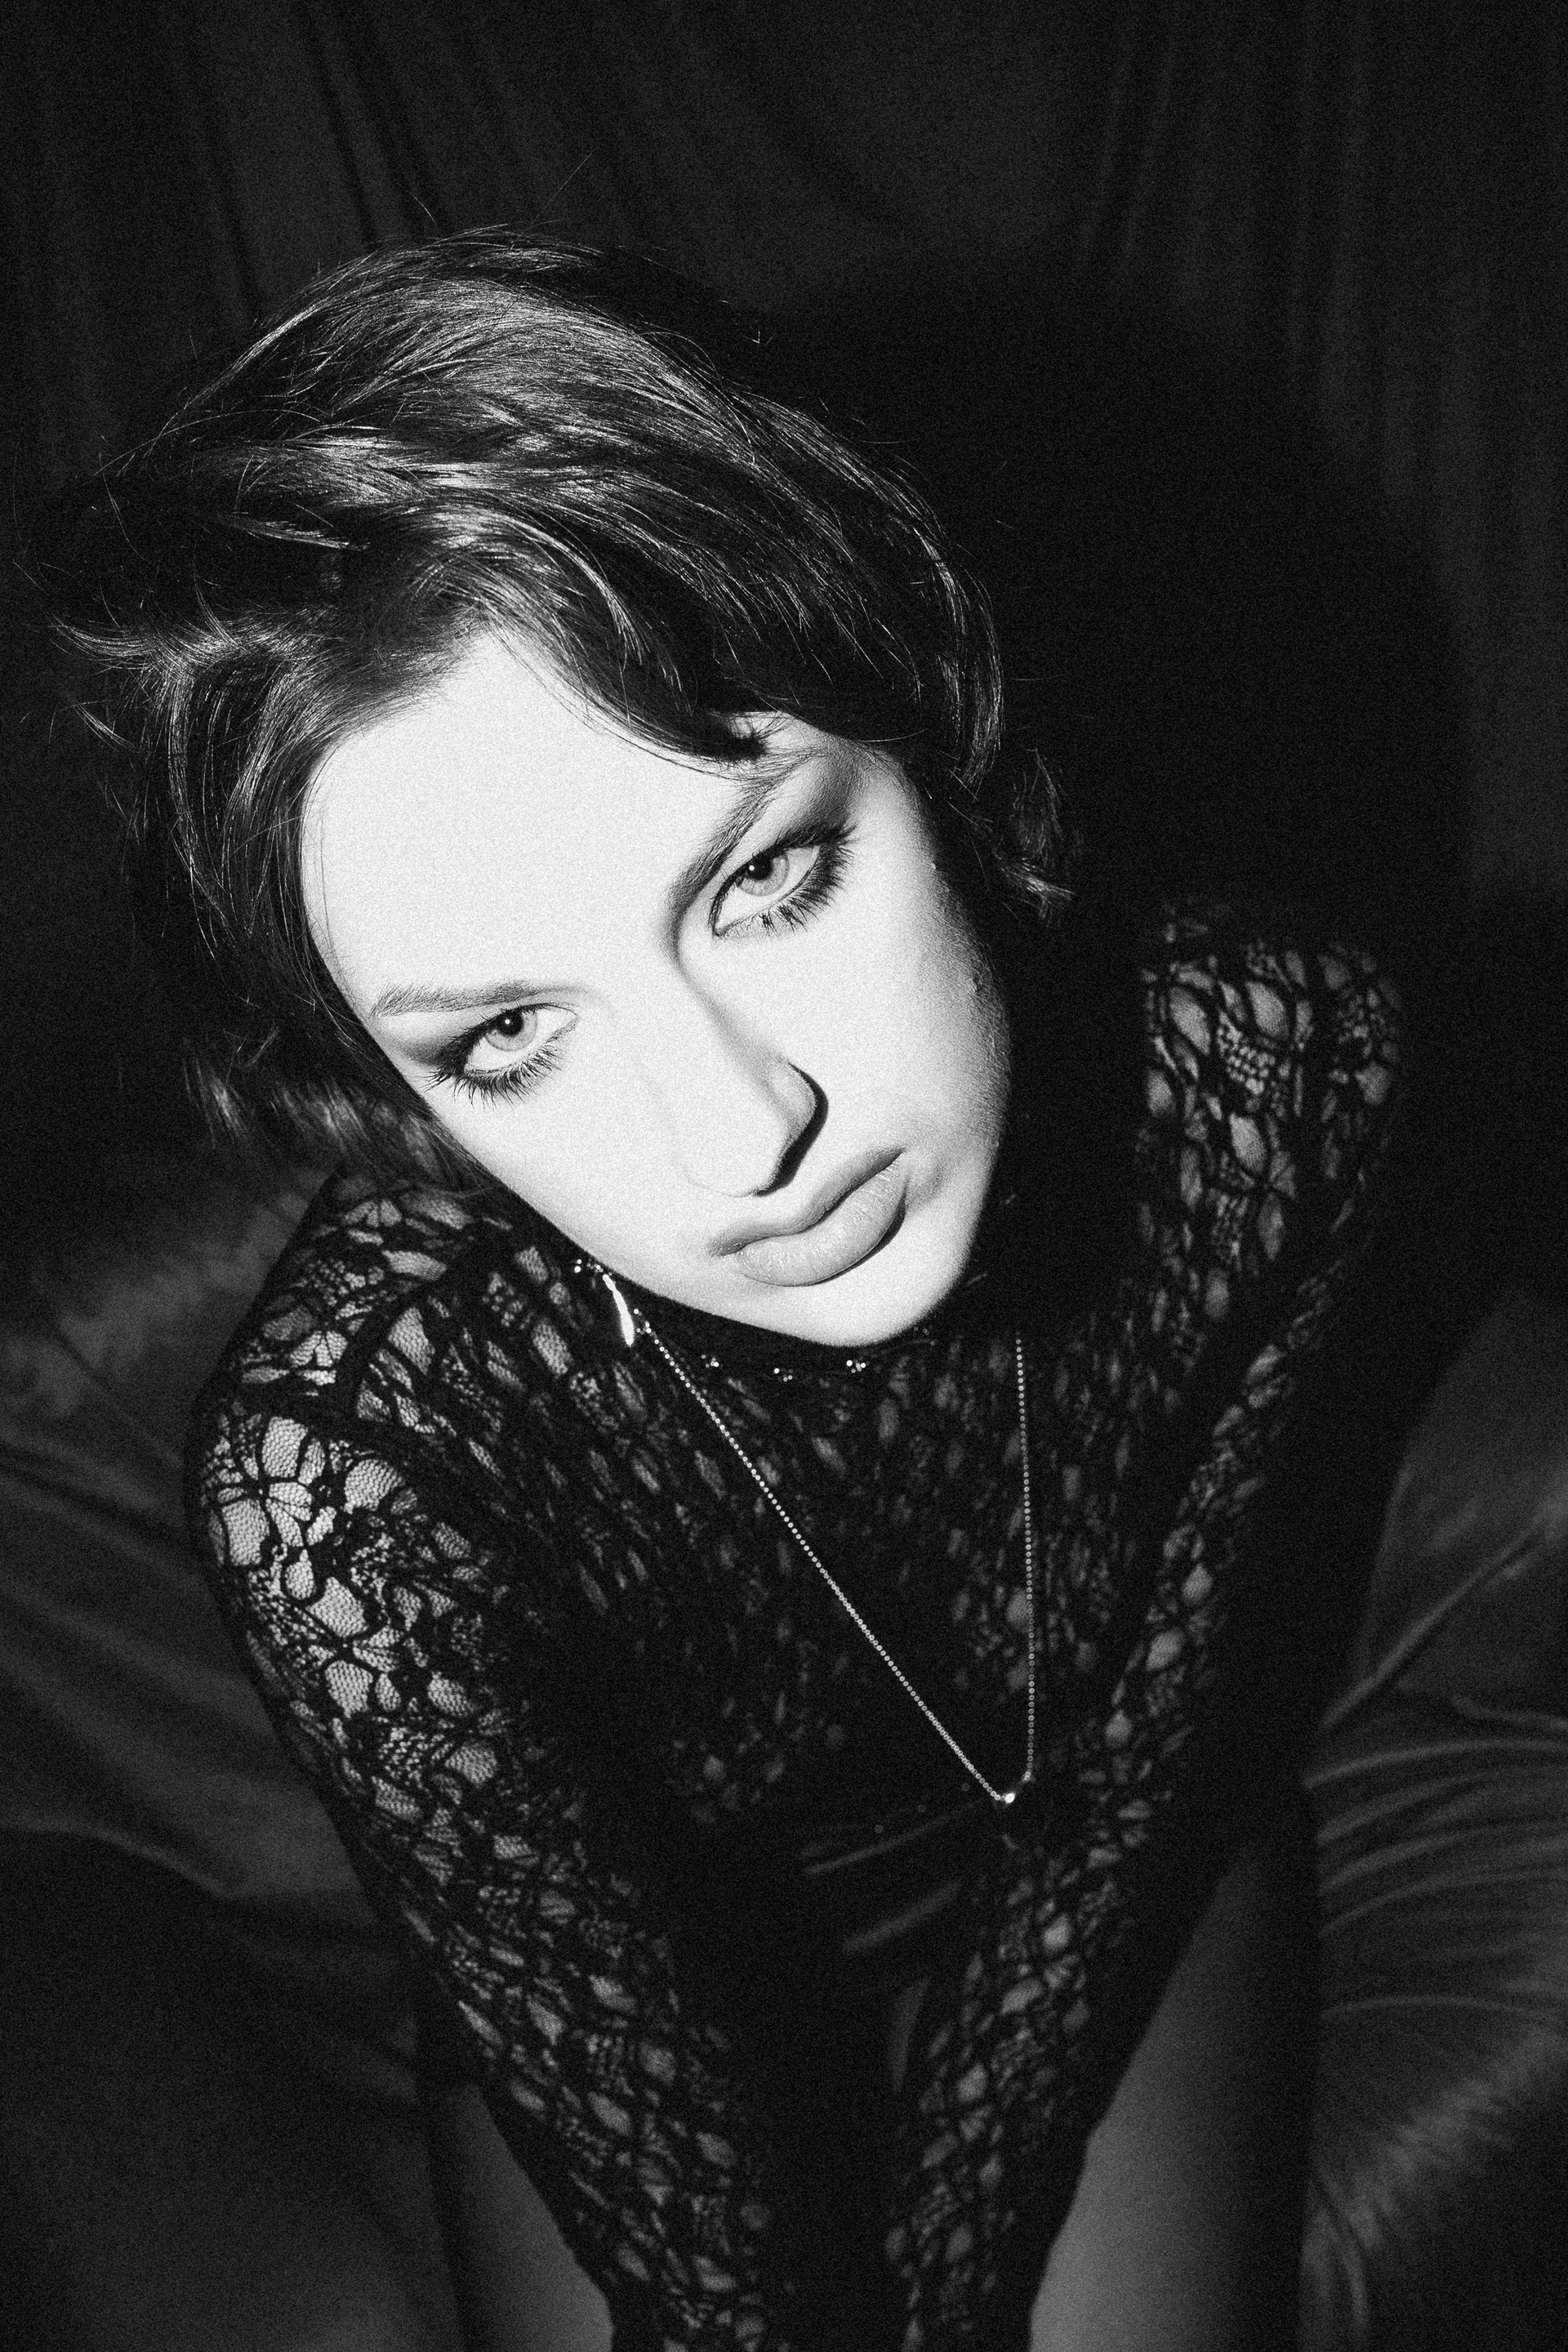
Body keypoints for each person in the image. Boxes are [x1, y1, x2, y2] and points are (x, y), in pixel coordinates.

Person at [38, 232, 1404, 2350]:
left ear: (935, 736)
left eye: (765, 878)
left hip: (1122, 1859)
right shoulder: (350, 1469)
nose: (742, 1129)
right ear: (386, 1095)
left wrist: (956, 2274)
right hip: (631, 1986)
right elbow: (704, 2266)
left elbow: (1152, 1767)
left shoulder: (1279, 1065)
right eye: (510, 1036)